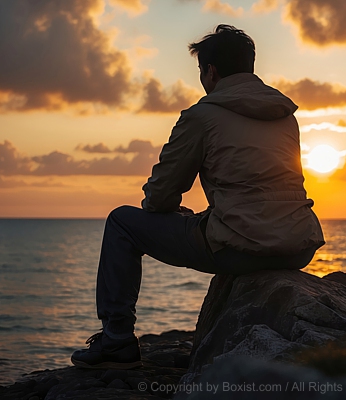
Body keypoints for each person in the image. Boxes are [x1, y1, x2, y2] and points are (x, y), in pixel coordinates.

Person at [71, 24, 325, 369]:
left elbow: (161, 195)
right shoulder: (283, 115)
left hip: (241, 248)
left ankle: (116, 341)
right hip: (299, 246)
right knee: (209, 221)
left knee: (121, 222)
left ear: (211, 71)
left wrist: (169, 212)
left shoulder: (201, 116)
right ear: (249, 67)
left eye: (201, 71)